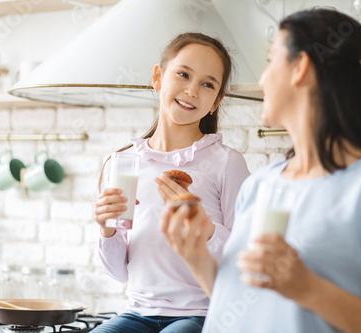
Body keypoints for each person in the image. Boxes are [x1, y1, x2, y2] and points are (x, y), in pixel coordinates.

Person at [161, 9, 361, 333]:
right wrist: (197, 259)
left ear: (301, 67)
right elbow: (243, 307)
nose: (262, 78)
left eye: (271, 61)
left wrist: (307, 288)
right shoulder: (259, 186)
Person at [92, 32, 250, 333]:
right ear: (158, 78)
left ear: (216, 101)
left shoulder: (226, 163)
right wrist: (107, 230)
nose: (192, 90)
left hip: (202, 314)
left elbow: (241, 256)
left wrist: (204, 229)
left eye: (207, 84)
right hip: (137, 312)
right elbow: (120, 273)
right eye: (183, 74)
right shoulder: (123, 164)